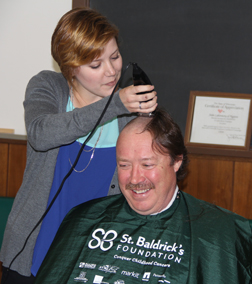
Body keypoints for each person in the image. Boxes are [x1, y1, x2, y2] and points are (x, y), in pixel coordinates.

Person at [0, 7, 157, 284]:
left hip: (95, 254)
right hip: (33, 249)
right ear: (71, 67)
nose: (111, 71)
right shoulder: (48, 86)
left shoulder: (131, 112)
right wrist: (115, 105)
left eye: (115, 56)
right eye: (95, 65)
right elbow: (40, 133)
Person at [34, 108, 251, 284]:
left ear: (176, 161)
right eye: (124, 165)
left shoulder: (218, 234)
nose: (135, 179)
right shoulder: (83, 219)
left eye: (147, 164)